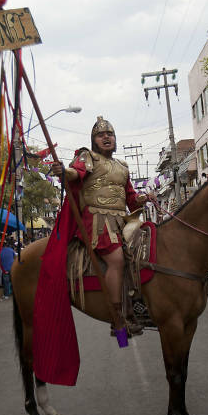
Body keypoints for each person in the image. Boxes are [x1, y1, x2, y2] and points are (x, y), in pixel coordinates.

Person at [50, 116, 152, 342]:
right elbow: (75, 174)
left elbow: (131, 200)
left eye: (110, 134)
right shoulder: (88, 157)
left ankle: (136, 305)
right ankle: (117, 318)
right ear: (94, 140)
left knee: (145, 250)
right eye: (101, 134)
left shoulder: (122, 167)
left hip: (121, 222)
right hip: (96, 221)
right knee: (116, 259)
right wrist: (62, 171)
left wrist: (145, 198)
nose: (106, 137)